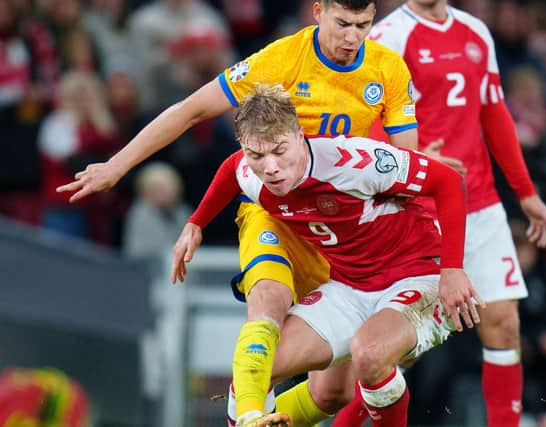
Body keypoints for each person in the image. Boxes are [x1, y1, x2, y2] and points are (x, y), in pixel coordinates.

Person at [56, 1, 419, 425]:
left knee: (332, 392)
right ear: (317, 11)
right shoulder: (279, 60)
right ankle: (248, 416)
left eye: (363, 25)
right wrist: (117, 165)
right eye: (343, 23)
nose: (353, 37)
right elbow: (190, 110)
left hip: (337, 228)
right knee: (268, 302)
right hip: (274, 213)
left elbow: (405, 164)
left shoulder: (388, 69)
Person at [172, 83, 483, 426]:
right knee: (254, 371)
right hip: (349, 286)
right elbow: (233, 170)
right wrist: (196, 223)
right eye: (257, 155)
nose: (271, 167)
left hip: (419, 275)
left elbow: (448, 182)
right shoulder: (251, 171)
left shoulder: (354, 161)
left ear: (299, 135)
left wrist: (452, 271)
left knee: (369, 355)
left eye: (279, 151)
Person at [333, 2, 546, 426]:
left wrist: (525, 191)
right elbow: (367, 119)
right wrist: (410, 155)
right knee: (398, 352)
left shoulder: (475, 32)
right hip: (421, 208)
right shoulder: (389, 36)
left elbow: (493, 111)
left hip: (482, 203)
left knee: (504, 327)